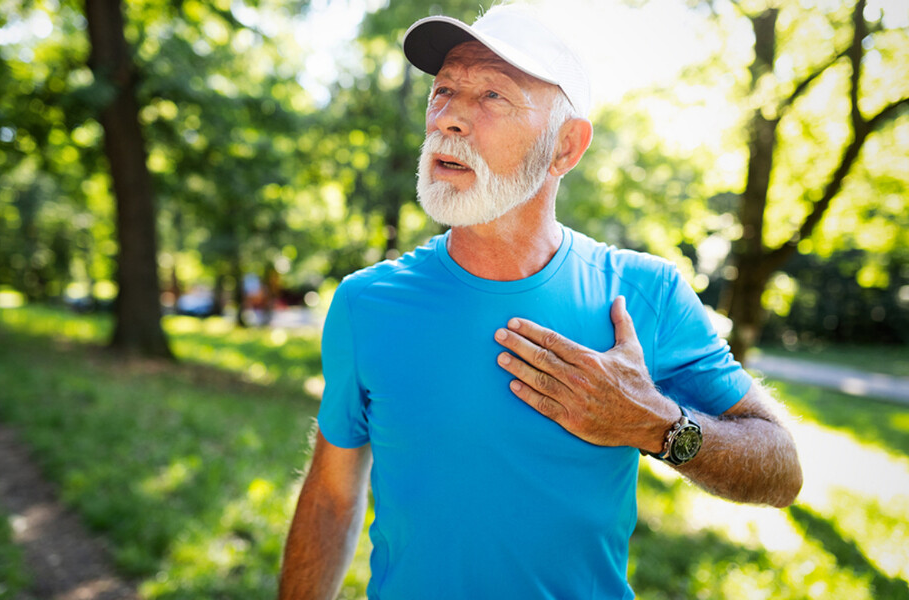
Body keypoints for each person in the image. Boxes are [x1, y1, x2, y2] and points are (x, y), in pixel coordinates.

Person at [279, 5, 803, 599]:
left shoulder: (644, 294)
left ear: (565, 148)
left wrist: (657, 425)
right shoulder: (365, 302)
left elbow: (781, 469)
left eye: (492, 97)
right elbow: (330, 496)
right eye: (443, 90)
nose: (448, 117)